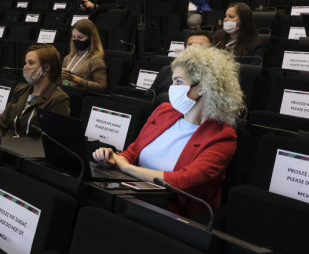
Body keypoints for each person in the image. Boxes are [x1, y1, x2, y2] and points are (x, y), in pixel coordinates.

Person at [93, 44, 243, 215]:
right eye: (172, 81)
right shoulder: (164, 111)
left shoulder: (222, 136)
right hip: (132, 194)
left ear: (202, 87)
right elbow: (132, 152)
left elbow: (183, 181)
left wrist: (127, 168)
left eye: (178, 82)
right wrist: (114, 158)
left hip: (172, 211)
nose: (171, 87)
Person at [0, 45, 70, 138]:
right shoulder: (20, 89)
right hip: (5, 143)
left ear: (46, 67)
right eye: (26, 63)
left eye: (31, 63)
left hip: (30, 146)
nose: (25, 67)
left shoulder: (59, 99)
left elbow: (51, 139)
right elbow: (1, 126)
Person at [148, 30, 212, 100]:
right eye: (190, 46)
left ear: (212, 51)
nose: (195, 50)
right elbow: (148, 99)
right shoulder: (165, 71)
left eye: (201, 46)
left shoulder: (216, 79)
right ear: (184, 50)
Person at [61, 19, 107, 93]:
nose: (76, 40)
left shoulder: (95, 59)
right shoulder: (68, 58)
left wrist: (75, 78)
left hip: (80, 96)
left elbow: (101, 87)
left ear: (91, 38)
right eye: (74, 37)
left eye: (80, 37)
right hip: (65, 93)